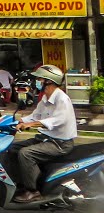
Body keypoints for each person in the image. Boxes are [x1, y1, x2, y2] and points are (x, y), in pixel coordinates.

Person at [11, 65, 77, 203]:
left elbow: (57, 120)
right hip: (46, 139)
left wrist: (31, 125)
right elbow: (35, 116)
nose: (37, 81)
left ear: (49, 81)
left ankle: (33, 191)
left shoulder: (62, 99)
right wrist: (18, 121)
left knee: (25, 153)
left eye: (40, 79)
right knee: (12, 149)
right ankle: (20, 183)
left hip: (60, 143)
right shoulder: (45, 99)